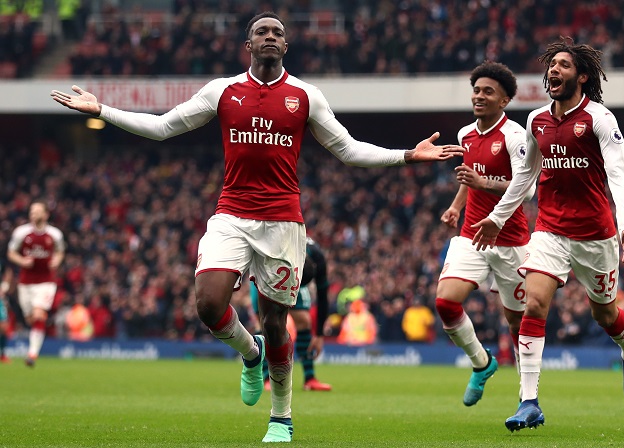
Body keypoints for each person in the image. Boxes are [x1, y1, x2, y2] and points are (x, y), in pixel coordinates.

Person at [50, 11, 463, 443]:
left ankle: (281, 417)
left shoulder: (305, 96)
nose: (270, 37)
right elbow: (162, 127)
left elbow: (348, 149)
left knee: (275, 320)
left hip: (283, 224)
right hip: (231, 215)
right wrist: (102, 110)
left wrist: (407, 156)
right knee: (209, 306)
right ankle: (251, 354)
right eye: (261, 32)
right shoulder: (223, 91)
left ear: (286, 46)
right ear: (248, 45)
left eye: (278, 33)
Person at [470, 37, 624, 431]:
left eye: (564, 65)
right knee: (534, 304)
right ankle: (528, 402)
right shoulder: (536, 121)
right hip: (549, 230)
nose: (555, 70)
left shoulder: (599, 118)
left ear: (581, 76)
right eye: (552, 65)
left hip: (595, 235)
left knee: (605, 313)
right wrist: (498, 216)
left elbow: (618, 173)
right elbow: (524, 178)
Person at [436, 61, 535, 407]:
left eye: (488, 91)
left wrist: (485, 183)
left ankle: (527, 396)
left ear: (504, 100)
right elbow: (469, 177)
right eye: (476, 90)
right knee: (446, 302)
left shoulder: (515, 137)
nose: (479, 96)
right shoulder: (466, 134)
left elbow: (527, 189)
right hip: (472, 236)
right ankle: (482, 362)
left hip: (511, 242)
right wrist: (456, 205)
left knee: (517, 322)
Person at [251, 236, 333, 392]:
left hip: (291, 270)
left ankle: (310, 378)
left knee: (304, 320)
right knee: (263, 321)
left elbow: (323, 296)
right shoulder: (276, 248)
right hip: (264, 272)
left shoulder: (318, 258)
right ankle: (266, 377)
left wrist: (320, 334)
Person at [7, 201, 66, 367]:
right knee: (30, 319)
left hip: (46, 281)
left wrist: (57, 260)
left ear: (46, 214)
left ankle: (32, 354)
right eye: (32, 211)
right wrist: (22, 261)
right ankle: (34, 344)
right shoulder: (21, 232)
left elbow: (60, 251)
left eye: (37, 211)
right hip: (25, 282)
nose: (33, 214)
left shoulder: (55, 234)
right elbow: (11, 252)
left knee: (39, 314)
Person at [0, 264, 12, 364]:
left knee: (4, 327)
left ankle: (3, 354)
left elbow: (8, 272)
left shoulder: (3, 261)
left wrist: (4, 287)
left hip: (0, 301)